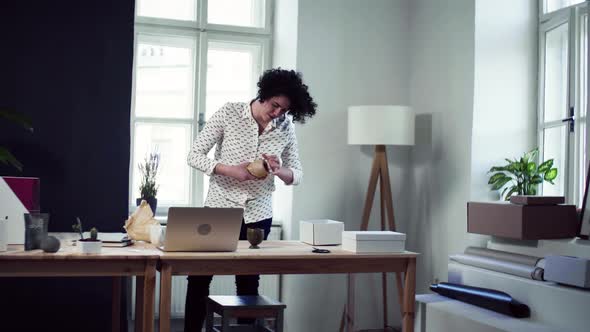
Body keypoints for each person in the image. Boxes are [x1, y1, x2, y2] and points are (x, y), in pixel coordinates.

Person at [185, 68, 317, 331]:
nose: (278, 113)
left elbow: (298, 173)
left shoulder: (285, 127)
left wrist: (280, 170)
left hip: (258, 214)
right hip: (219, 208)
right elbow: (194, 155)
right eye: (275, 105)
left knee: (248, 281)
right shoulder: (230, 112)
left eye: (285, 110)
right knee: (199, 278)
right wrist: (231, 170)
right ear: (264, 94)